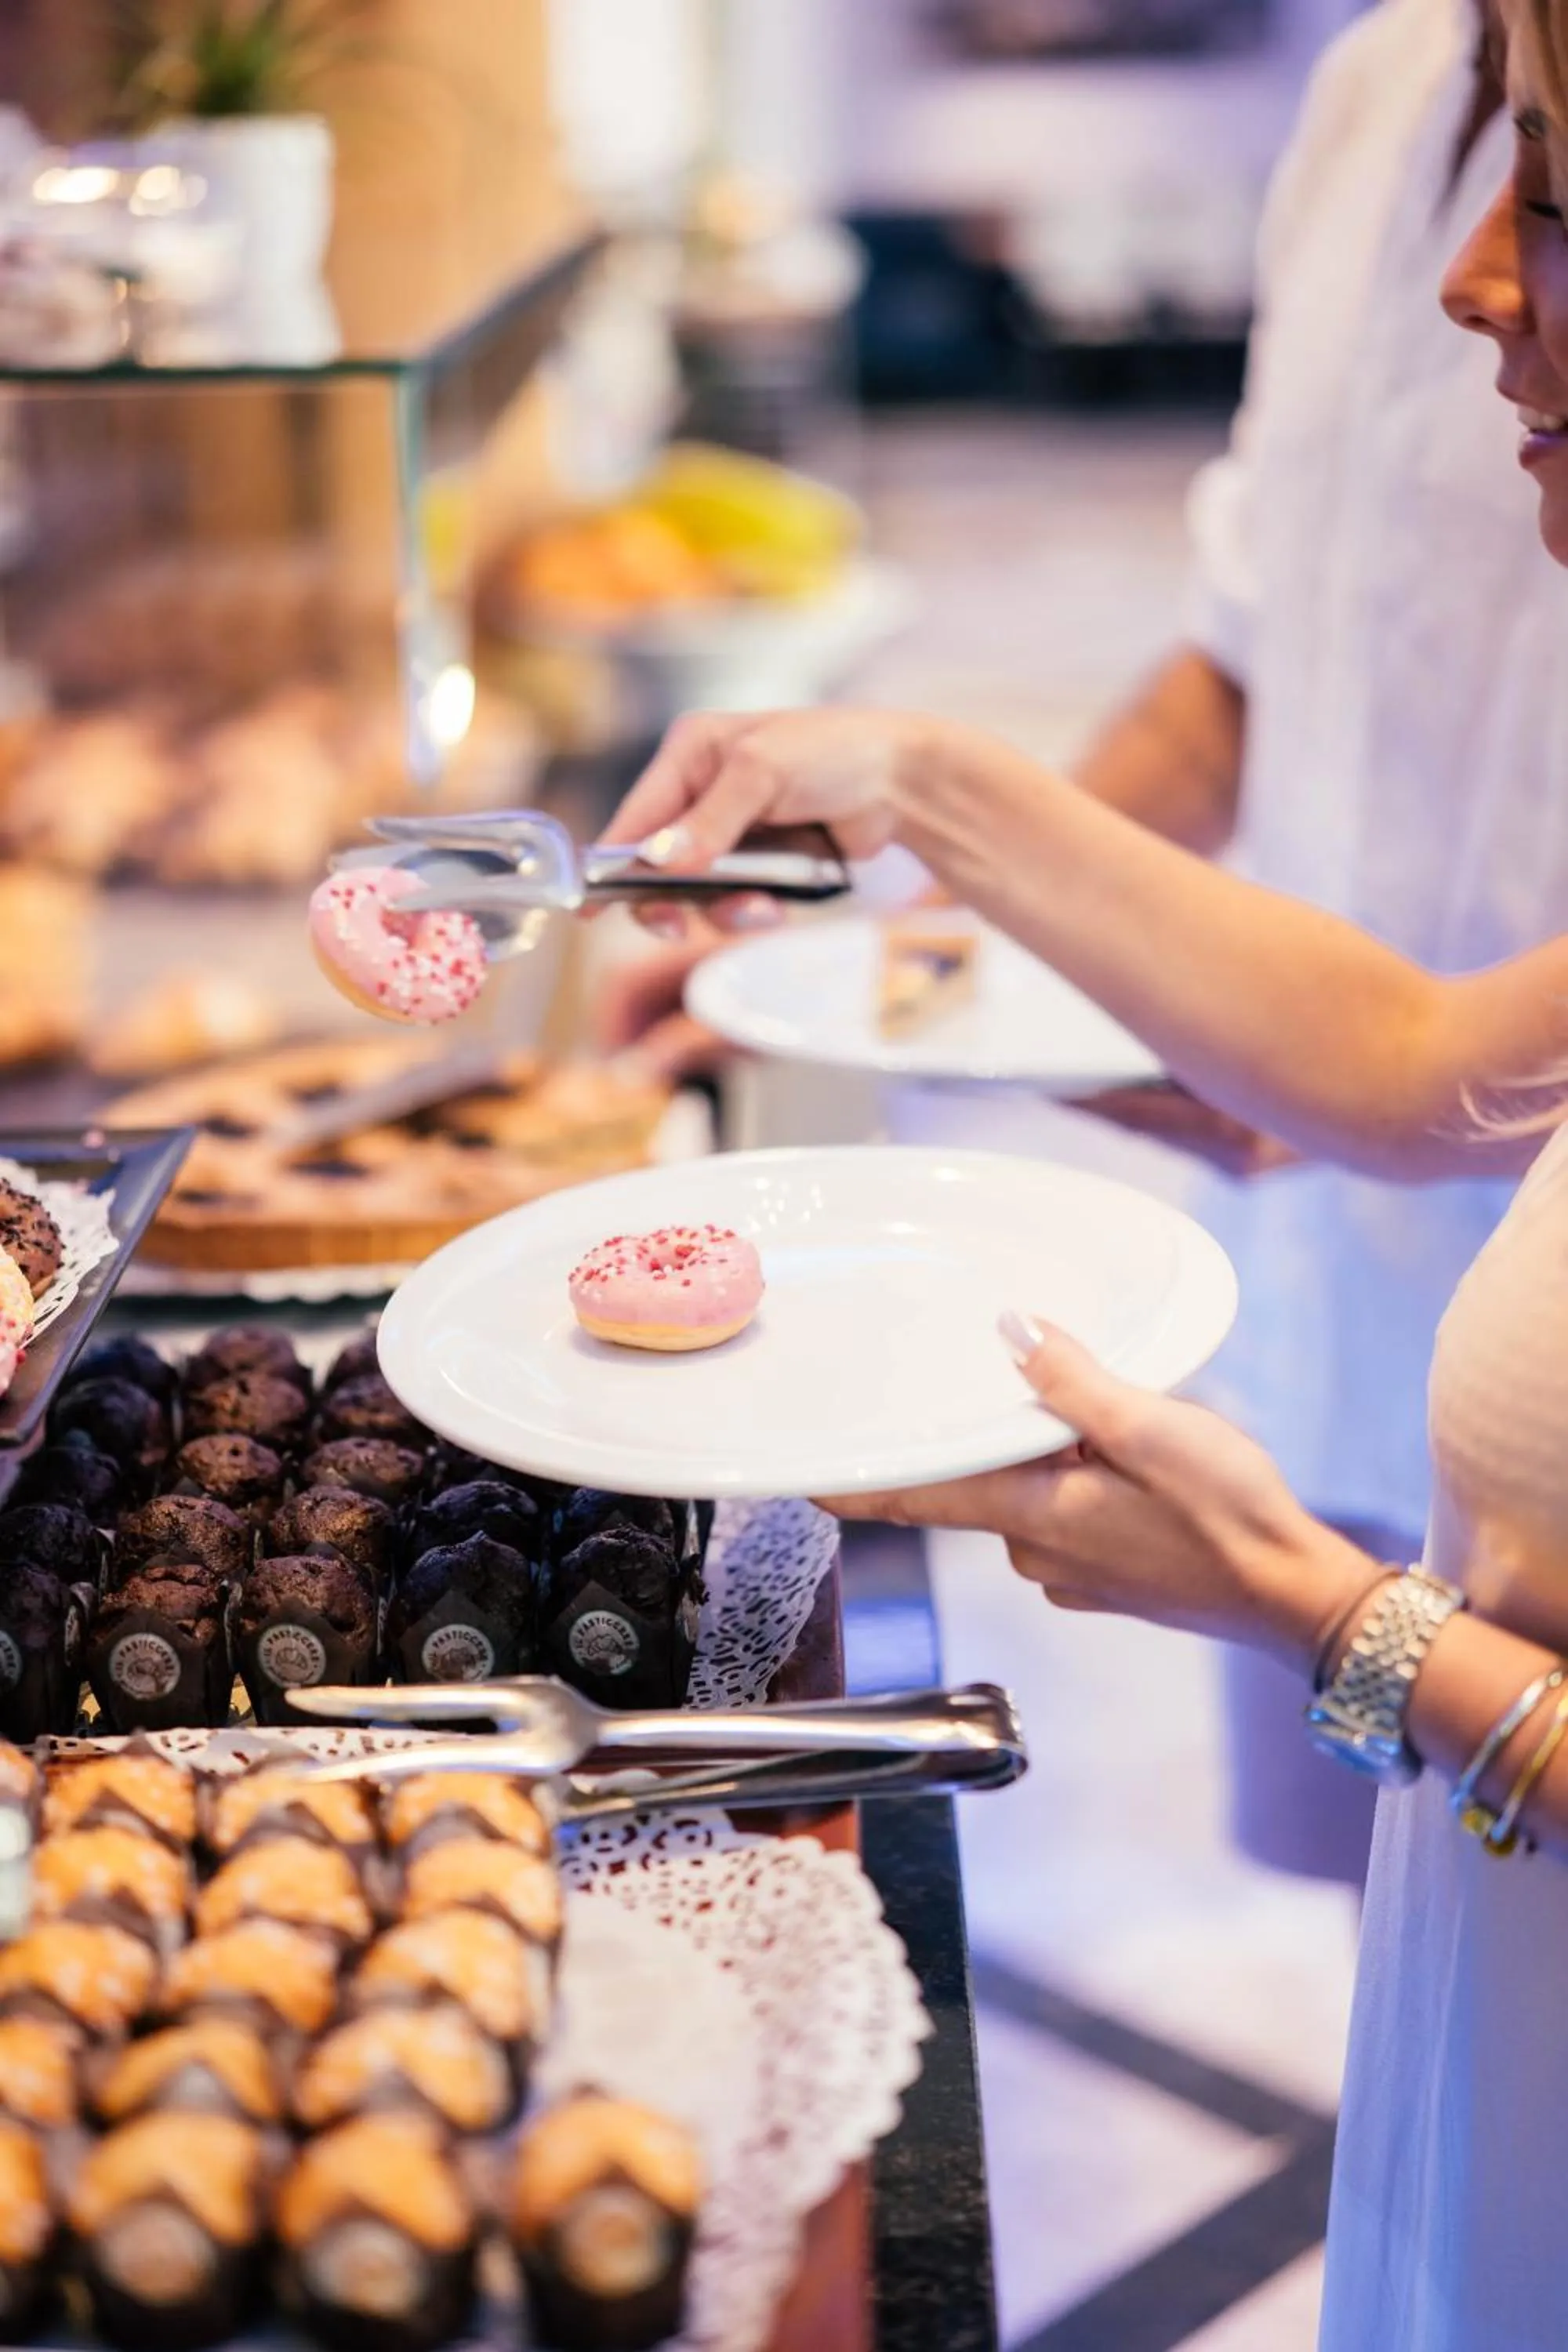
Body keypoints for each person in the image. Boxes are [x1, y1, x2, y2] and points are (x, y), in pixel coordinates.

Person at [593, 2, 1568, 2331]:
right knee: (1436, 1941)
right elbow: (1404, 1039)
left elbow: (1426, 1072)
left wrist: (1342, 1623)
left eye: (1548, 201)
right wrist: (930, 872)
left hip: (1471, 1269)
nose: (1471, 284)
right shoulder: (1368, 97)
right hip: (1417, 1257)